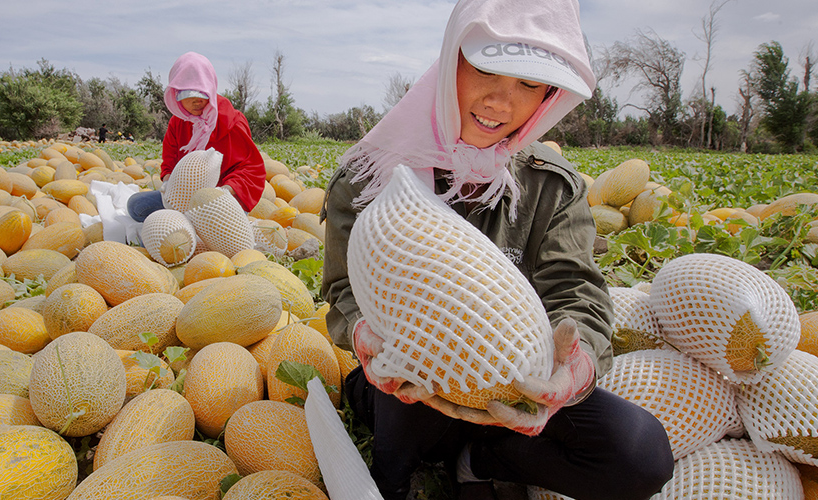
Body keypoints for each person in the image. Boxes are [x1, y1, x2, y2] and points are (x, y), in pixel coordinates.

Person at [320, 1, 675, 499]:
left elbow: (577, 294)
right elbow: (341, 289)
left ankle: (481, 459)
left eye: (529, 84)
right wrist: (365, 333)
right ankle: (394, 481)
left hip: (512, 389)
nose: (501, 102)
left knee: (641, 454)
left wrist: (572, 373)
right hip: (404, 395)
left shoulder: (551, 187)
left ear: (550, 96)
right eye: (487, 68)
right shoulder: (367, 180)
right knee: (414, 347)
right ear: (451, 62)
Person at [126, 52, 265, 222]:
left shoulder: (233, 121)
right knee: (136, 206)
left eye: (202, 94)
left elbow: (250, 169)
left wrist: (223, 192)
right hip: (184, 197)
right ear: (176, 96)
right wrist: (169, 185)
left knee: (208, 229)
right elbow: (169, 162)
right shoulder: (177, 123)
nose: (196, 101)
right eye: (187, 96)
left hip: (222, 200)